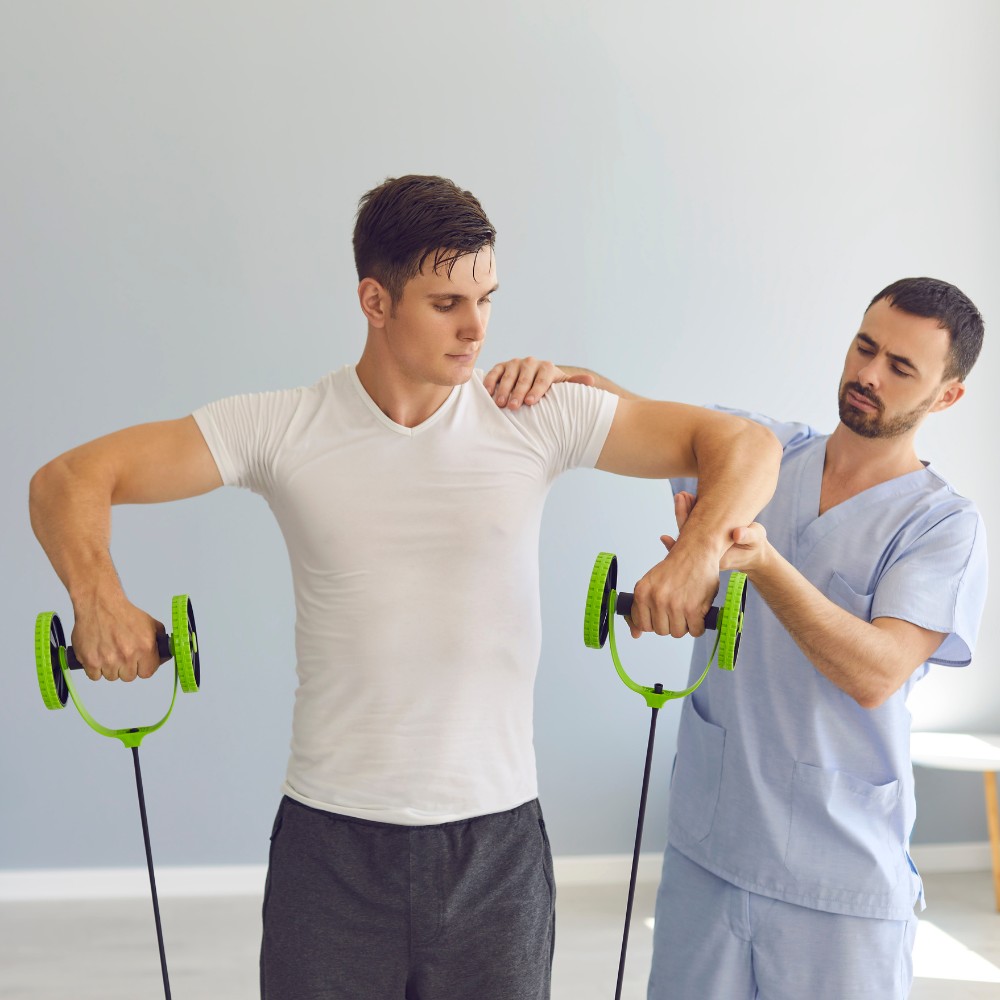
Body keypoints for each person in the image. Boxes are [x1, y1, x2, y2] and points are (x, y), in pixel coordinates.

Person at [29, 174, 782, 1000]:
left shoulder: (534, 413)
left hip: (496, 849)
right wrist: (98, 599)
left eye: (486, 300)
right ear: (375, 301)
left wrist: (697, 554)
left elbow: (745, 445)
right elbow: (68, 479)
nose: (476, 328)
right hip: (330, 850)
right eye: (446, 303)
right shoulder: (281, 426)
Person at [487, 276, 988, 999]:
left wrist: (760, 563)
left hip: (840, 881)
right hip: (710, 852)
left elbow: (878, 673)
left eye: (900, 367)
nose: (868, 374)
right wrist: (557, 379)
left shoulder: (943, 526)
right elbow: (628, 413)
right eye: (864, 347)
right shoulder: (763, 453)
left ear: (946, 396)